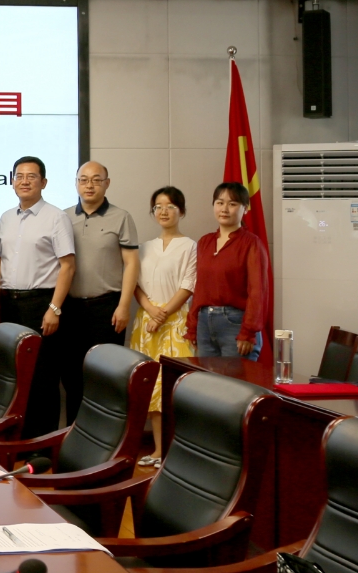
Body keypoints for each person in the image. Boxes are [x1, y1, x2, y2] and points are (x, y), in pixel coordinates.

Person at [0, 156, 75, 439]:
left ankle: (41, 445)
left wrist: (55, 308)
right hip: (10, 304)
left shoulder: (56, 217)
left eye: (31, 176)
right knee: (14, 376)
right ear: (12, 181)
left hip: (41, 305)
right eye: (19, 176)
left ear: (44, 182)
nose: (24, 181)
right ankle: (18, 438)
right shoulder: (6, 218)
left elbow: (68, 266)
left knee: (42, 377)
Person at [61, 162, 139, 424]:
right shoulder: (64, 217)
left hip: (107, 308)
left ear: (107, 183)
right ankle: (73, 433)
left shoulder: (121, 217)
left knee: (105, 376)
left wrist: (124, 305)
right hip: (70, 309)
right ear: (76, 183)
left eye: (96, 180)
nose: (89, 185)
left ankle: (104, 437)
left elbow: (131, 263)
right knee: (72, 376)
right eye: (83, 180)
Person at [130, 186, 196, 463]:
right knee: (151, 386)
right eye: (158, 206)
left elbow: (188, 285)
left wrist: (163, 314)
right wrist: (150, 310)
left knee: (174, 388)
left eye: (170, 206)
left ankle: (178, 452)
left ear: (182, 211)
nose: (164, 211)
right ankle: (158, 449)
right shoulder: (144, 247)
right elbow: (134, 284)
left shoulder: (190, 246)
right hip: (146, 323)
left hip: (176, 322)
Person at [187, 182, 269, 360]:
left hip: (236, 324)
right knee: (207, 377)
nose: (224, 209)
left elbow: (257, 292)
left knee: (235, 378)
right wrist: (193, 326)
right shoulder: (205, 242)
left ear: (245, 208)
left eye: (232, 204)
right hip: (204, 324)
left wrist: (248, 332)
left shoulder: (251, 243)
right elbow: (200, 288)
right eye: (219, 202)